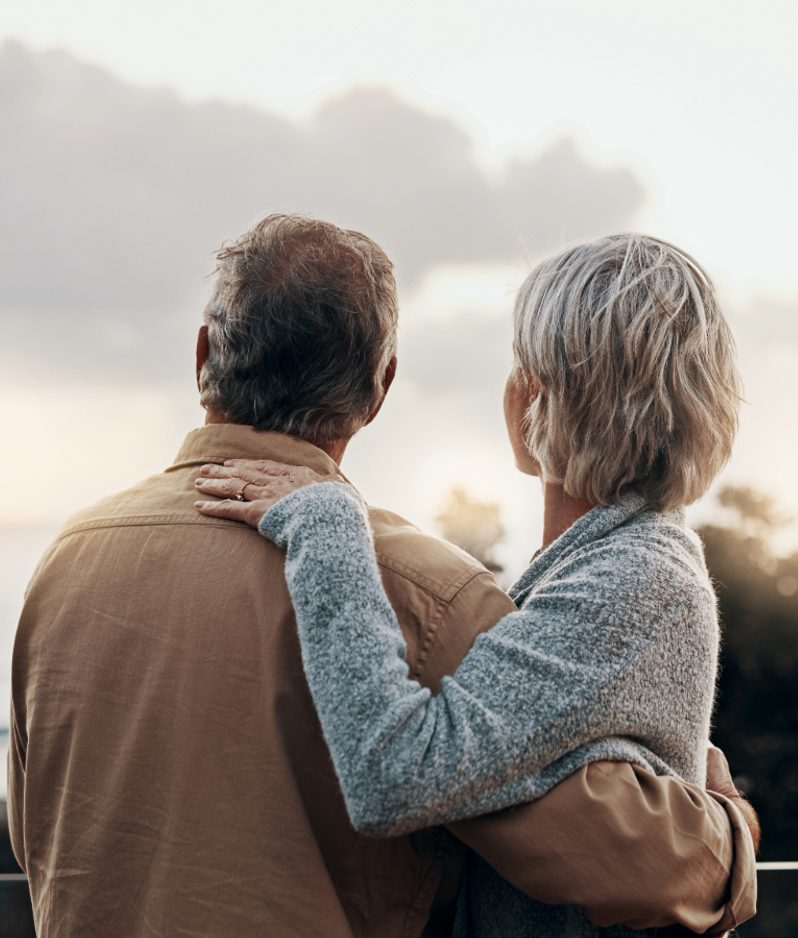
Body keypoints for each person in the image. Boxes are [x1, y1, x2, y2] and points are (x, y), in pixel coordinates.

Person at [9, 217, 755, 938]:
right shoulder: (427, 595)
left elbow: (29, 823)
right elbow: (616, 853)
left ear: (203, 353)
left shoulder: (66, 560)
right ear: (380, 387)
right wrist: (723, 838)